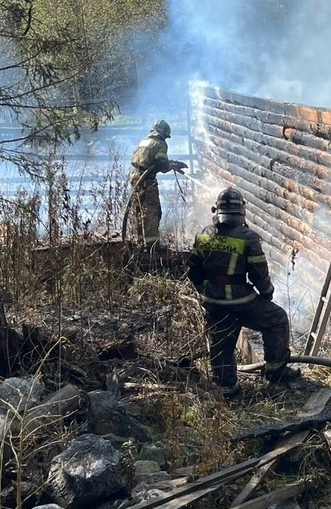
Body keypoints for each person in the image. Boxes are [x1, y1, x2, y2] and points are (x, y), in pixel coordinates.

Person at [187, 188, 299, 398]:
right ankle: (276, 371)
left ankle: (227, 390)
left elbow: (193, 272)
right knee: (277, 319)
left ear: (217, 211)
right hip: (242, 302)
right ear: (241, 212)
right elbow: (259, 275)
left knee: (221, 345)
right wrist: (266, 294)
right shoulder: (248, 237)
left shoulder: (203, 235)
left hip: (213, 302)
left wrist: (207, 294)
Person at [128, 120, 187, 244]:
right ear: (164, 134)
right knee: (151, 210)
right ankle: (152, 244)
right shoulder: (160, 143)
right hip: (146, 180)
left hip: (136, 177)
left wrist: (173, 164)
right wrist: (170, 166)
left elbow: (153, 160)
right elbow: (162, 164)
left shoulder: (145, 141)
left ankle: (141, 240)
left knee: (140, 208)